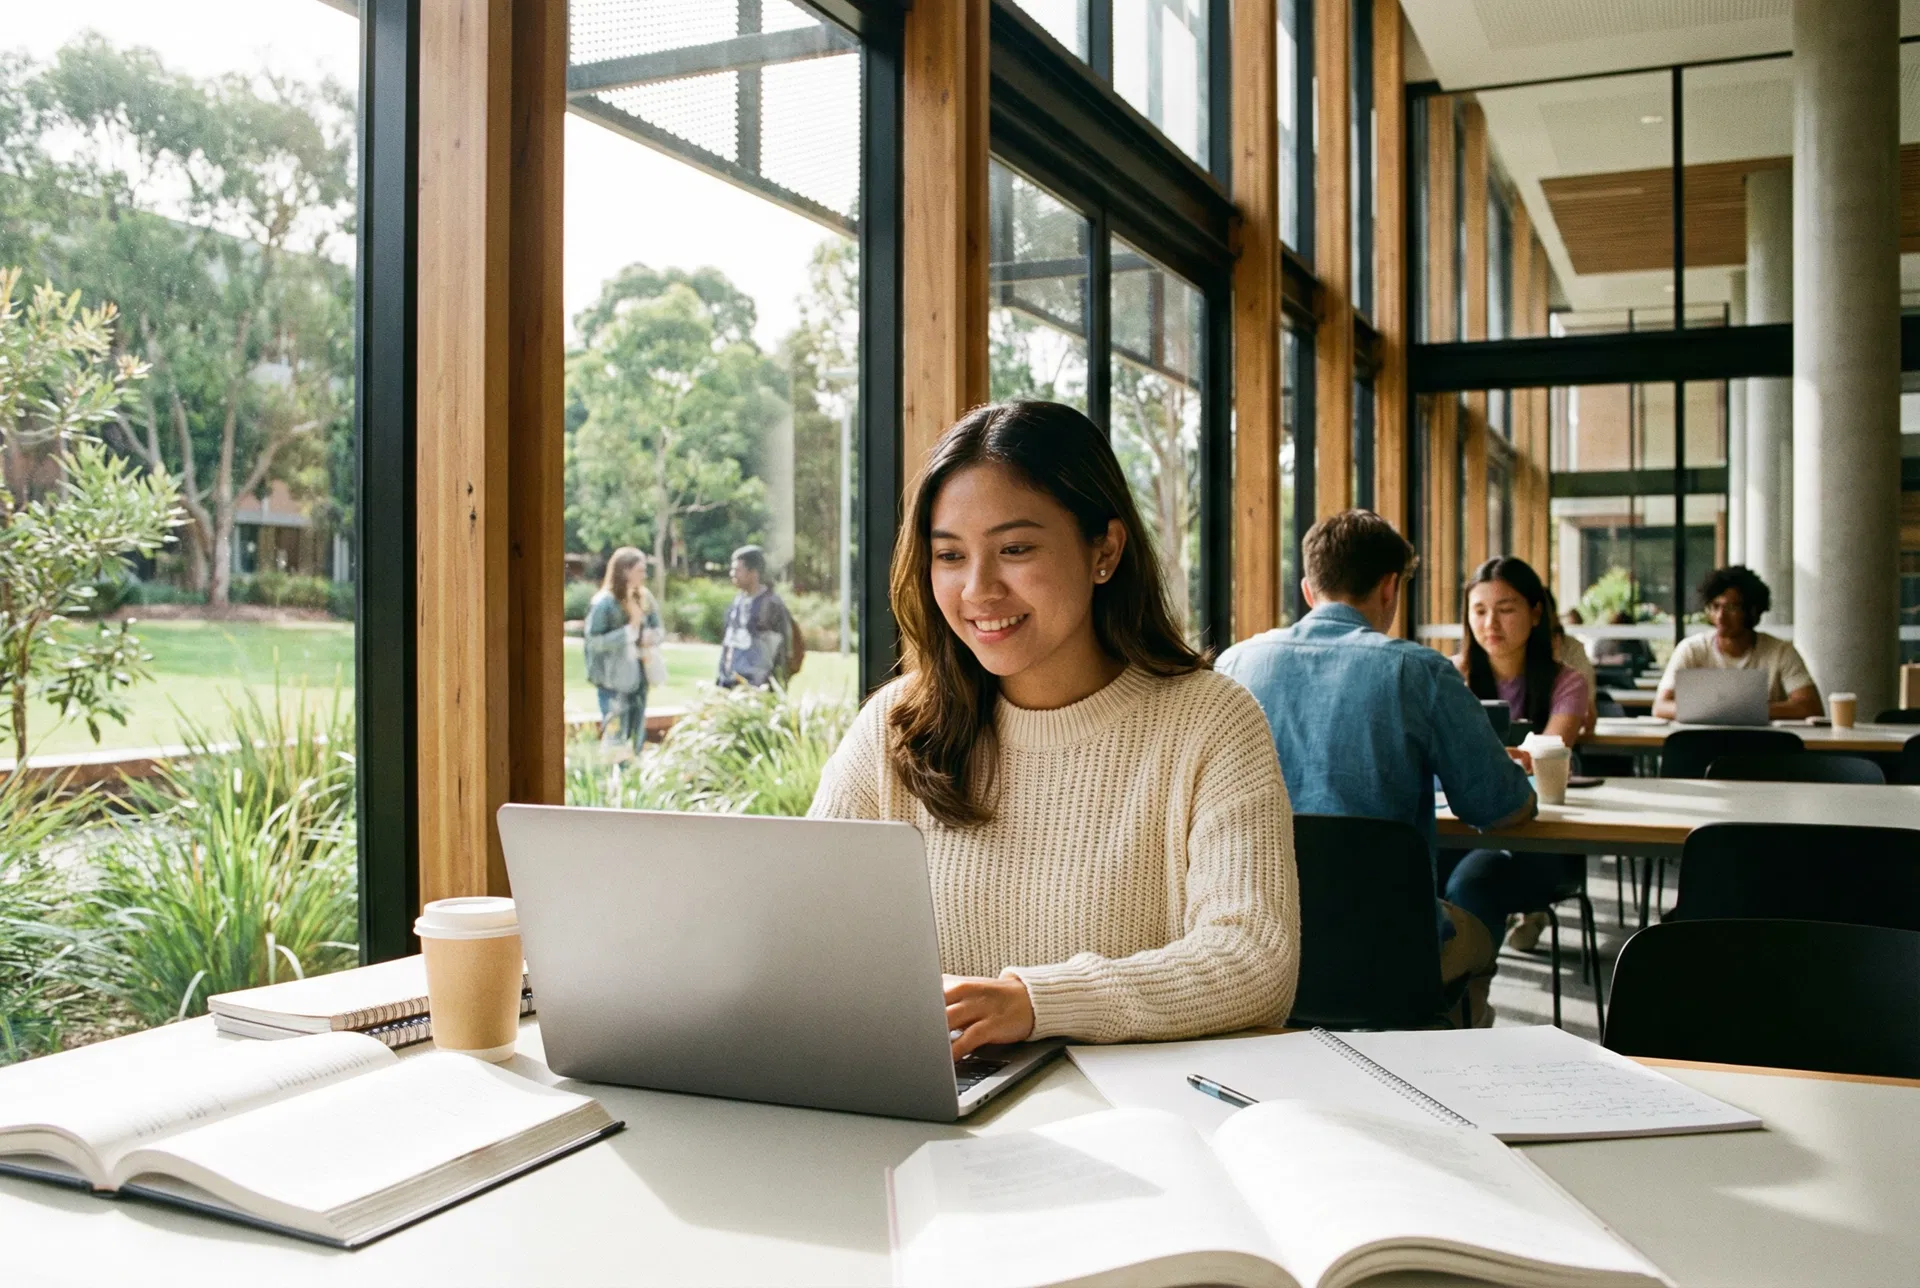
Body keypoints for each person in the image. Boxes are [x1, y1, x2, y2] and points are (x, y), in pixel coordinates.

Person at [809, 400, 1299, 1057]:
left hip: (1134, 1132)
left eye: (1015, 549)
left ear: (1105, 550)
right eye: (950, 555)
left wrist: (1036, 1003)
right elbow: (802, 931)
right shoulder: (896, 725)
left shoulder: (1209, 721)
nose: (978, 589)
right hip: (938, 1111)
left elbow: (1254, 959)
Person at [1217, 510, 1534, 1023]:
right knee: (1483, 896)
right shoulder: (1420, 671)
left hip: (1255, 951)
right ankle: (1452, 1029)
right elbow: (1500, 809)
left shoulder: (1234, 666)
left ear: (1307, 588)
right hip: (1388, 954)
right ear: (1390, 587)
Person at [1448, 558, 1591, 957]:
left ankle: (1468, 994)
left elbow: (1546, 749)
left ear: (1535, 612)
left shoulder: (1567, 681)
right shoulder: (1448, 677)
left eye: (1506, 609)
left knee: (1471, 882)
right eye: (1479, 611)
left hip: (1538, 840)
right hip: (1458, 830)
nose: (1490, 623)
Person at [1652, 565, 1820, 721]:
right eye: (1715, 606)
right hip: (1704, 746)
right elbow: (1660, 707)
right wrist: (1717, 712)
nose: (1720, 617)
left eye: (1731, 608)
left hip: (1762, 747)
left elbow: (1810, 707)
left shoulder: (1781, 651)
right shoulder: (1692, 649)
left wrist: (1743, 712)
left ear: (1752, 610)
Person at [583, 547, 662, 754]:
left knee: (637, 732)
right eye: (640, 570)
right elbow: (594, 641)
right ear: (624, 571)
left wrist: (651, 636)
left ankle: (633, 777)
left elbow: (658, 628)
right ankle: (615, 777)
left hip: (639, 675)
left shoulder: (645, 597)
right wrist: (628, 633)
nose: (644, 575)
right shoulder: (604, 603)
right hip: (612, 679)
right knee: (615, 734)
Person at [716, 544, 797, 689]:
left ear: (753, 573)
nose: (732, 574)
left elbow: (784, 651)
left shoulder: (772, 606)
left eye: (737, 570)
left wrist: (770, 685)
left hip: (758, 689)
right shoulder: (737, 602)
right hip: (731, 685)